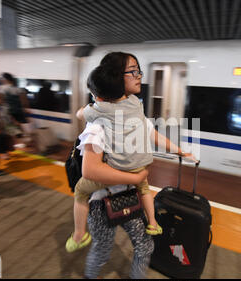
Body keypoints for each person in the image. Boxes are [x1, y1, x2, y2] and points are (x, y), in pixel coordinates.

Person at [66, 52, 196, 254]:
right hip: (132, 177)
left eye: (138, 70)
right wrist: (138, 176)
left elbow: (81, 115)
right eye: (132, 71)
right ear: (115, 77)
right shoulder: (135, 105)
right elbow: (92, 168)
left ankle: (79, 234)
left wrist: (180, 152)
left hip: (116, 188)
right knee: (124, 243)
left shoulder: (99, 111)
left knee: (81, 192)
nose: (139, 75)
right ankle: (152, 222)